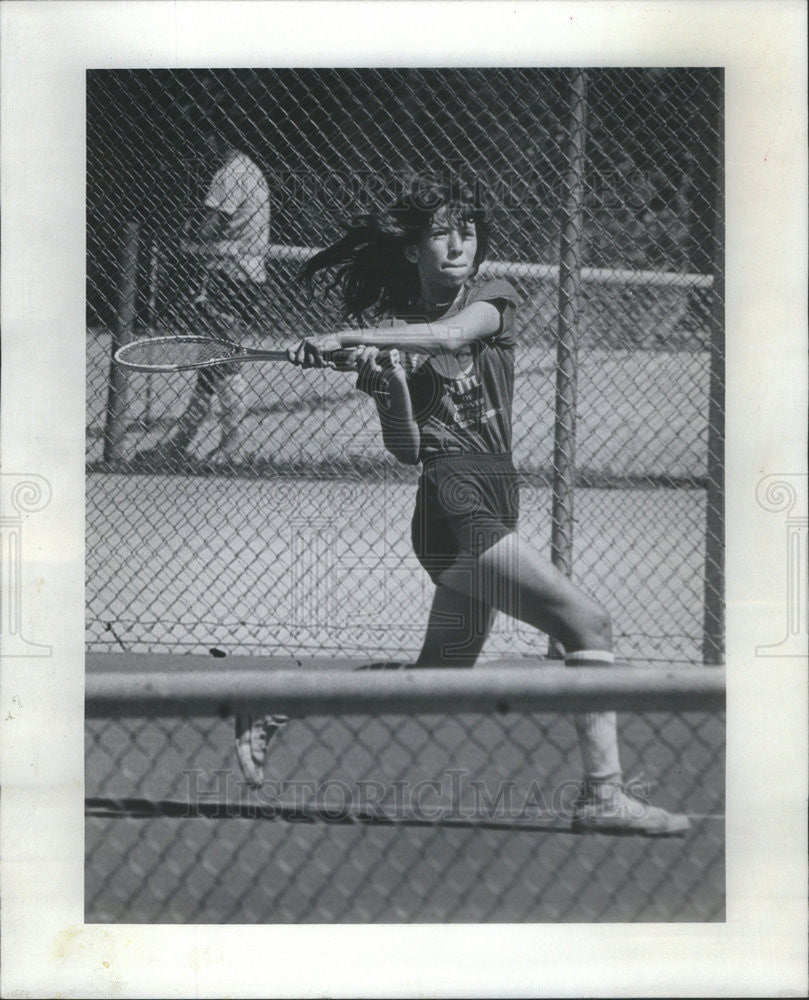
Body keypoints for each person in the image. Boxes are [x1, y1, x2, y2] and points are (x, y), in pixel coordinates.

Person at [236, 176, 689, 836]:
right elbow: (406, 448)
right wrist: (388, 385)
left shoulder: (491, 301)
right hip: (449, 501)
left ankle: (279, 700)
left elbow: (450, 338)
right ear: (415, 250)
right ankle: (602, 796)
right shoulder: (395, 343)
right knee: (588, 626)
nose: (457, 244)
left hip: (492, 494)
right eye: (441, 232)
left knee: (439, 677)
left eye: (468, 232)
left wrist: (346, 341)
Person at [141, 111, 271, 466]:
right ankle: (182, 441)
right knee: (210, 365)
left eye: (203, 141)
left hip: (231, 276)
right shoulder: (247, 168)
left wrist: (183, 232)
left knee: (223, 363)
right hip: (243, 275)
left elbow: (209, 228)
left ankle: (231, 446)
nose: (199, 150)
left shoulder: (229, 174)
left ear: (219, 138)